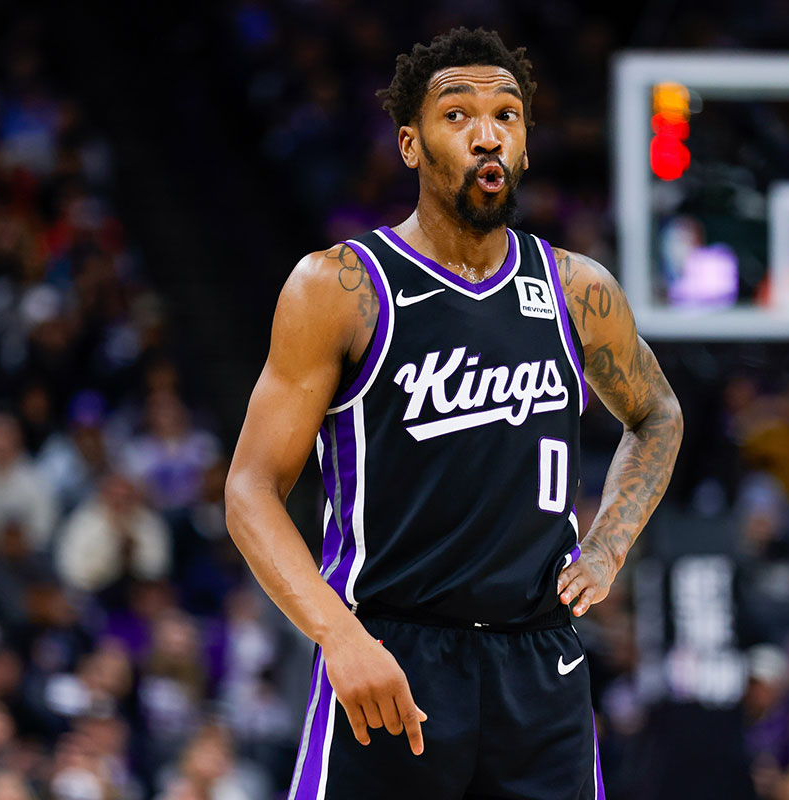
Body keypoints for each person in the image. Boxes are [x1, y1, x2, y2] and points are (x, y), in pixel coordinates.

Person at [224, 27, 682, 799]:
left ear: (527, 144)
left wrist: (607, 547)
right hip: (391, 654)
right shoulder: (340, 288)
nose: (486, 133)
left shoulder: (577, 290)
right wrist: (337, 634)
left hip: (542, 665)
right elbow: (249, 490)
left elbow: (658, 414)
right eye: (458, 115)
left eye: (507, 115)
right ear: (410, 144)